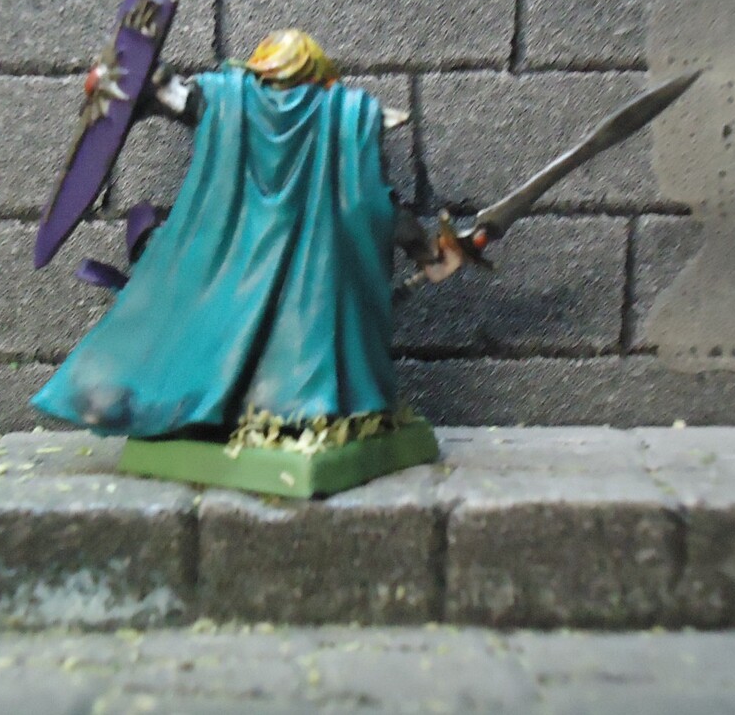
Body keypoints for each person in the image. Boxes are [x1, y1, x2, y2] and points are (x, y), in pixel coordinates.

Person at [31, 30, 449, 440]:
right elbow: (375, 206)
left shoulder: (232, 102)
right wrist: (424, 250)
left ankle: (250, 409)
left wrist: (134, 78)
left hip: (277, 283)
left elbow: (174, 95)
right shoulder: (342, 118)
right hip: (280, 284)